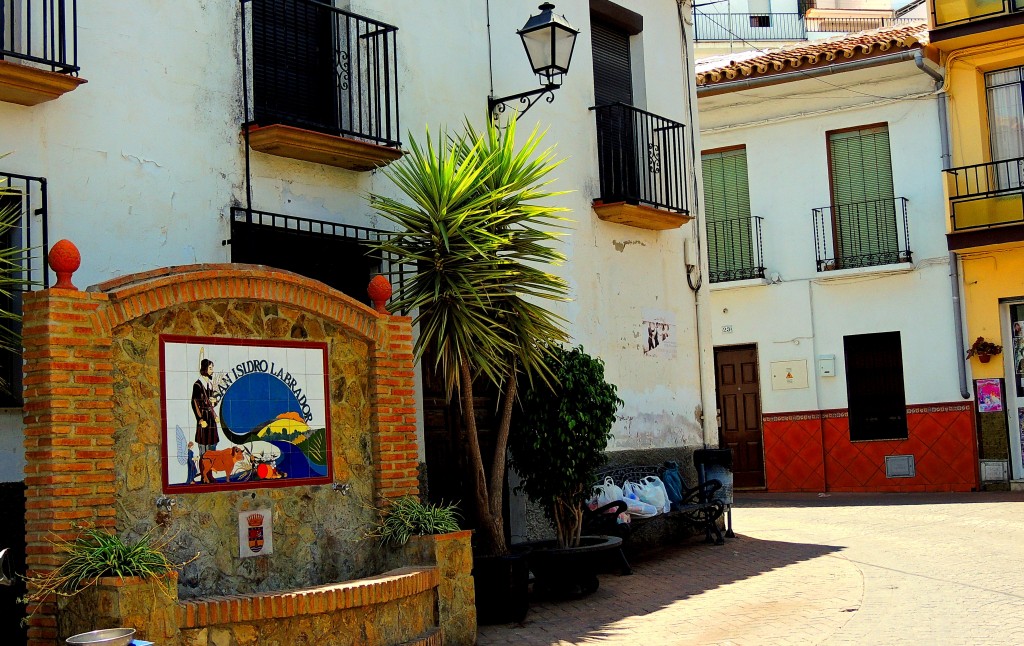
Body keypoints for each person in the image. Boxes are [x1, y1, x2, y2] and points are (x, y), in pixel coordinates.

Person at [191, 358, 220, 458]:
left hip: (211, 418)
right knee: (203, 445)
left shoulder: (210, 384)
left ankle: (211, 471)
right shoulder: (198, 385)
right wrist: (200, 419)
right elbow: (194, 403)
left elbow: (212, 402)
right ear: (205, 369)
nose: (212, 371)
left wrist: (214, 402)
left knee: (212, 445)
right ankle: (204, 471)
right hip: (203, 418)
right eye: (210, 368)